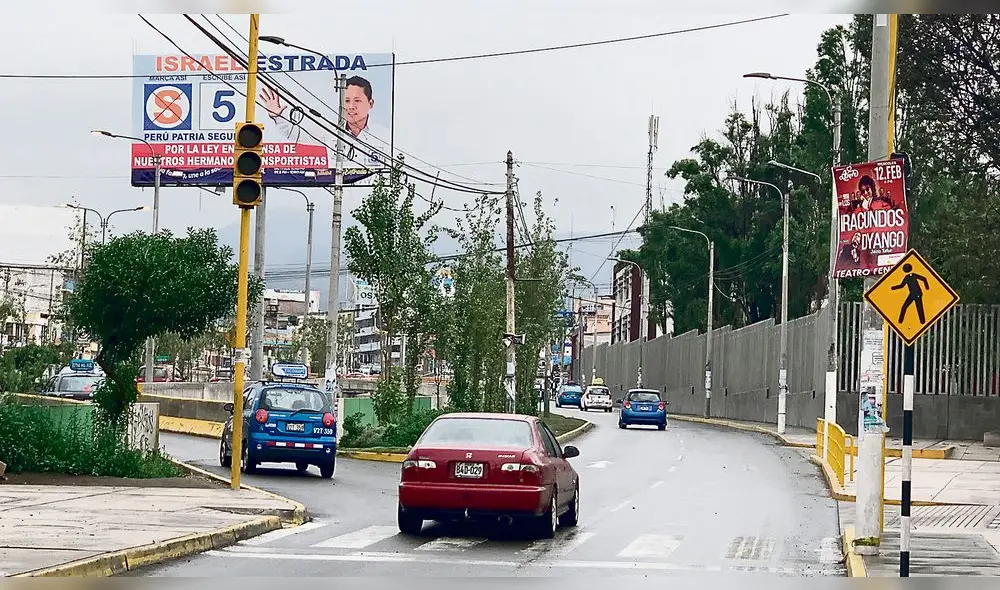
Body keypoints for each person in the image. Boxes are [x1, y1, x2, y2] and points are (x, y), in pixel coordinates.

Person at [259, 74, 392, 172]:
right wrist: (278, 116)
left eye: (357, 101)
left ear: (370, 104)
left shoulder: (383, 135)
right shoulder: (328, 132)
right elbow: (297, 135)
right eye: (346, 101)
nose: (351, 107)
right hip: (333, 193)